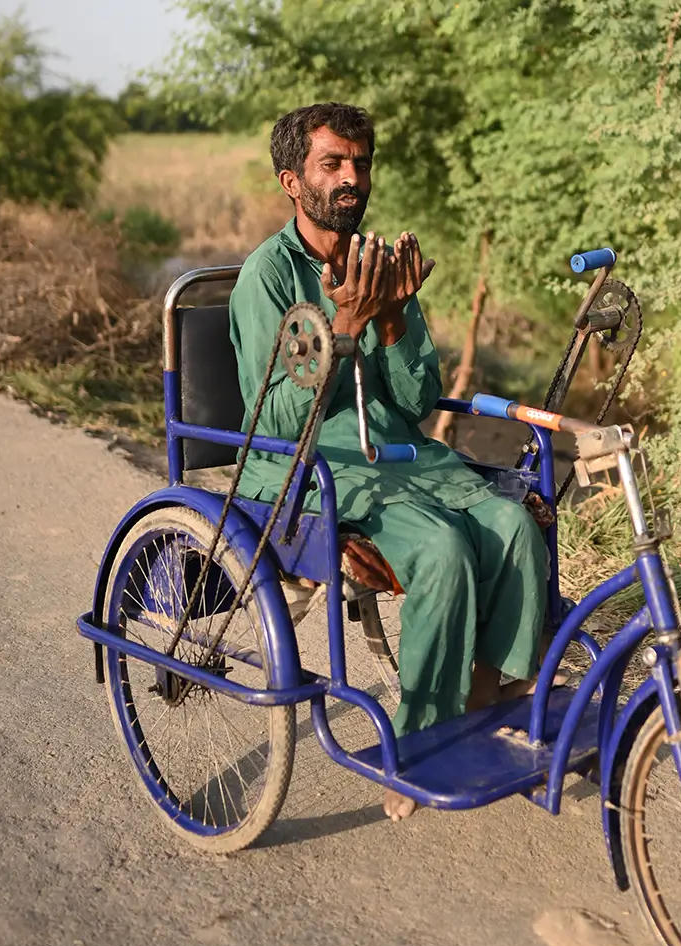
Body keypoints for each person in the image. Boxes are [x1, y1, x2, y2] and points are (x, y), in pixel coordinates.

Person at [227, 102, 548, 820]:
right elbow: (273, 419)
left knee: (512, 526)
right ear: (292, 180)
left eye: (360, 164)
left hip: (399, 453)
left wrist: (396, 318)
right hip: (304, 464)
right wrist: (344, 326)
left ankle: (491, 693)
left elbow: (418, 399)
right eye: (332, 164)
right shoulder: (265, 278)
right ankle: (421, 737)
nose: (351, 178)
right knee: (441, 551)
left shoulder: (377, 260)